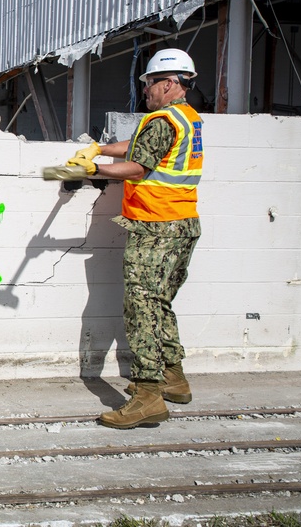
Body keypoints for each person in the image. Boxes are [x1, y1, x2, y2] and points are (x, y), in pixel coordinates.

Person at [66, 47, 204, 429]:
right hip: (181, 225)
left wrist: (94, 167)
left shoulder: (162, 119)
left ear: (171, 83)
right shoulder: (186, 118)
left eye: (150, 82)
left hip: (156, 228)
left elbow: (137, 166)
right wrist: (100, 147)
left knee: (141, 308)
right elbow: (141, 148)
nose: (145, 89)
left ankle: (147, 395)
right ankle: (173, 377)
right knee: (159, 305)